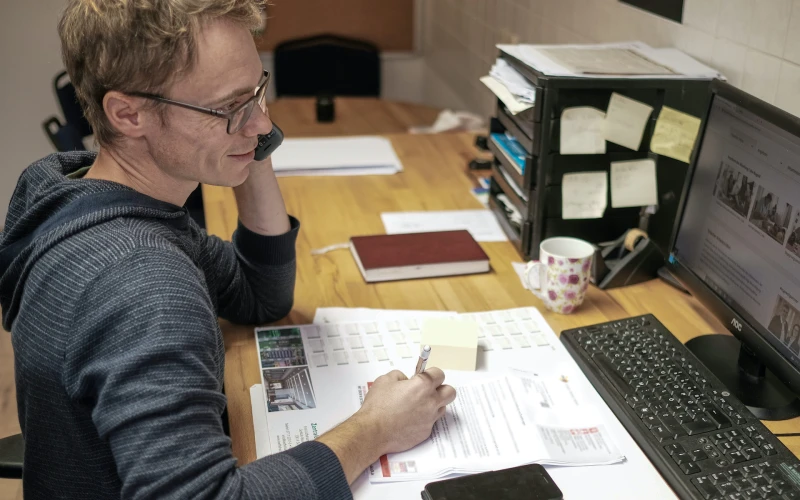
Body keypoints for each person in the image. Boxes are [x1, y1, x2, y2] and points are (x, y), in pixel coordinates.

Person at [0, 1, 455, 499]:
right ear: (128, 114)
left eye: (258, 91)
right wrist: (375, 430)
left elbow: (259, 296)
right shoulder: (143, 281)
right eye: (227, 107)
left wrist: (244, 144)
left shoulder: (85, 194)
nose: (263, 125)